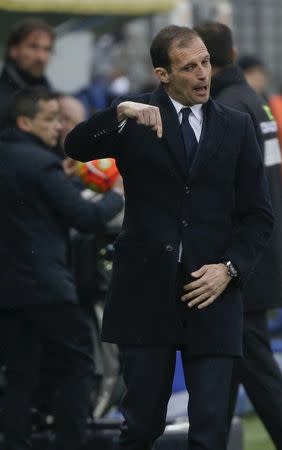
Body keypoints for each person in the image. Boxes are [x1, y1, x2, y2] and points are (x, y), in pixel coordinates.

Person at [65, 25, 274, 450]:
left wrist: (230, 269)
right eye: (189, 67)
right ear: (163, 74)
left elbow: (258, 216)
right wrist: (118, 113)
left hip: (213, 295)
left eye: (205, 63)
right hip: (146, 296)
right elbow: (75, 145)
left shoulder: (236, 126)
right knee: (141, 427)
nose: (202, 75)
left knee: (211, 431)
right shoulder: (134, 117)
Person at [194, 22, 282, 450]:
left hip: (240, 265)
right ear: (236, 52)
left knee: (257, 373)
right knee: (225, 372)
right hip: (259, 255)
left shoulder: (229, 108)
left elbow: (222, 192)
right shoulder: (253, 101)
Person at [0, 87, 124, 450]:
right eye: (50, 119)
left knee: (19, 374)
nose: (58, 127)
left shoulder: (10, 157)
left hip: (8, 291)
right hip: (48, 287)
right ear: (25, 121)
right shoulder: (42, 163)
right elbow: (85, 217)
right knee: (77, 365)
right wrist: (117, 193)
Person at [0, 18, 54, 129]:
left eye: (47, 49)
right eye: (33, 47)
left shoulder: (48, 92)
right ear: (13, 50)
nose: (41, 57)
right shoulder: (4, 98)